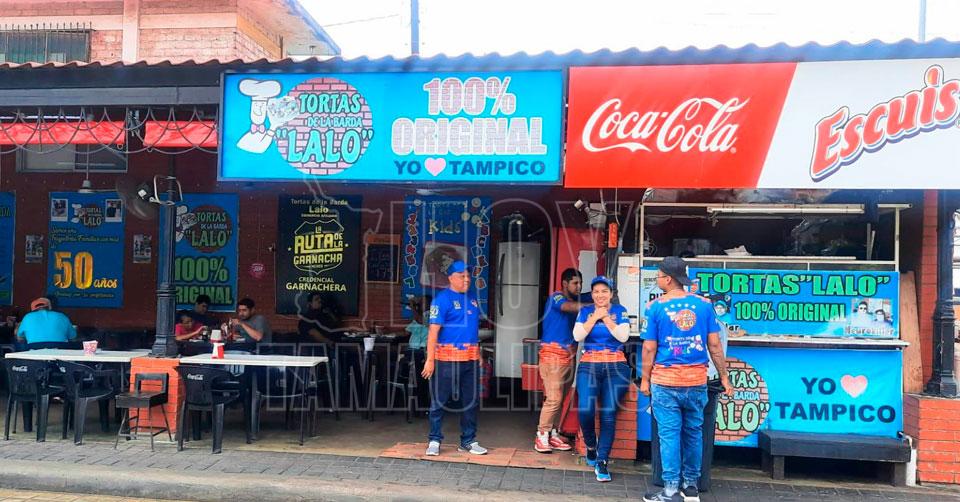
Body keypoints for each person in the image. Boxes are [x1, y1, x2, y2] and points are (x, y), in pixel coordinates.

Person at [641, 257, 731, 502]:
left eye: (658, 277)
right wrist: (724, 377)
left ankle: (670, 490)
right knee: (693, 433)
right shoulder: (704, 305)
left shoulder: (655, 307)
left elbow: (649, 348)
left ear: (668, 279)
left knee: (669, 435)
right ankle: (691, 487)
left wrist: (645, 380)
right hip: (696, 381)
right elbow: (715, 345)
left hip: (666, 381)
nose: (657, 280)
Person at [422, 260, 488, 456]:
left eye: (468, 276)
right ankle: (434, 440)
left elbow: (472, 330)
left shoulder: (473, 298)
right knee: (439, 401)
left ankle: (468, 440)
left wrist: (478, 353)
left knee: (471, 401)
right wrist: (430, 360)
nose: (466, 279)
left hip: (470, 360)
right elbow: (433, 332)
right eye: (462, 276)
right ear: (451, 278)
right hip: (446, 360)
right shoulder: (441, 300)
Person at [574, 276, 631, 482]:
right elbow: (577, 336)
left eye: (604, 291)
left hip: (616, 367)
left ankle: (602, 461)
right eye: (596, 291)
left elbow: (623, 337)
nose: (600, 295)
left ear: (611, 294)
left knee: (608, 413)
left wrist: (605, 317)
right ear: (592, 294)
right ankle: (591, 445)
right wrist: (594, 317)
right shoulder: (585, 311)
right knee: (585, 409)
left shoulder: (620, 311)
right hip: (589, 365)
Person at [535, 268, 589, 453]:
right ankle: (542, 435)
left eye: (581, 283)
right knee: (554, 398)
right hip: (552, 356)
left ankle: (553, 434)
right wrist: (596, 305)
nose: (579, 287)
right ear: (565, 283)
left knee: (561, 399)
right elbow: (568, 307)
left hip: (568, 356)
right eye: (575, 283)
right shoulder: (556, 298)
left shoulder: (576, 300)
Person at [403, 295, 431, 411]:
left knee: (420, 378)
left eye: (421, 302)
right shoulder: (417, 318)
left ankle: (421, 405)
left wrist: (412, 305)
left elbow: (421, 321)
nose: (418, 304)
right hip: (412, 351)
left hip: (422, 351)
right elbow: (406, 332)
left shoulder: (430, 315)